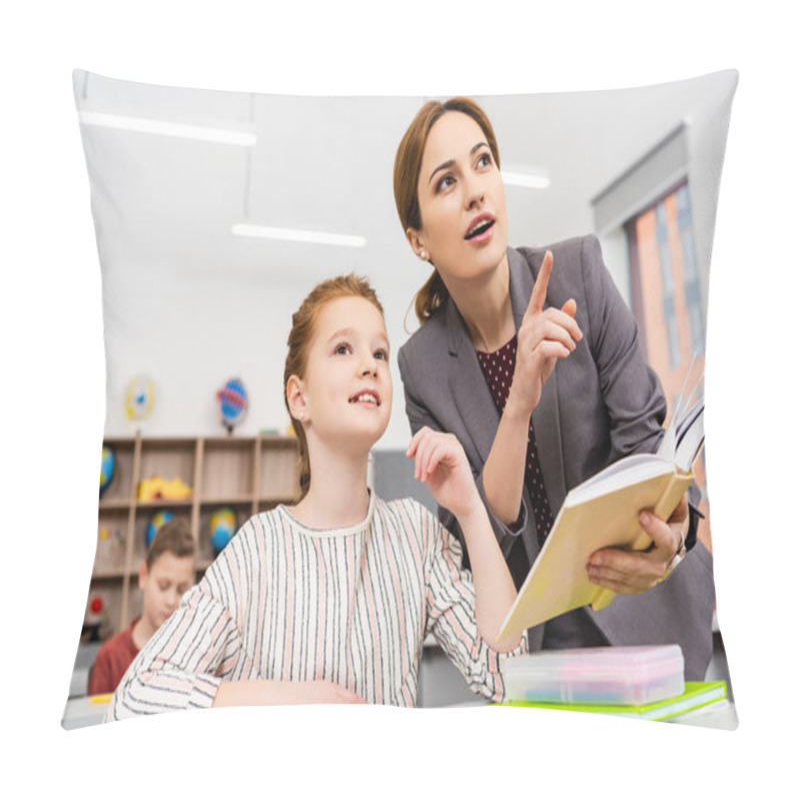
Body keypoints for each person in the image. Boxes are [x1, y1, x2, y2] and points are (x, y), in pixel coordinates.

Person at [393, 97, 716, 681]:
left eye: (483, 162)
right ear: (418, 240)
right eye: (447, 182)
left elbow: (647, 448)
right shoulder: (421, 368)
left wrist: (667, 539)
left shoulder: (580, 273)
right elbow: (475, 543)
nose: (475, 191)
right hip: (537, 655)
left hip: (647, 618)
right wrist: (518, 405)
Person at [108, 274, 525, 719]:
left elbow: (508, 678)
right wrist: (288, 699)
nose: (370, 365)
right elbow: (132, 699)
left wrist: (471, 510)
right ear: (299, 398)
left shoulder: (415, 535)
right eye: (344, 349)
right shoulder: (257, 551)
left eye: (379, 352)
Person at [88, 516, 195, 695]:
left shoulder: (194, 656)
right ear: (144, 576)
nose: (171, 601)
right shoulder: (110, 658)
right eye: (163, 586)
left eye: (181, 589)